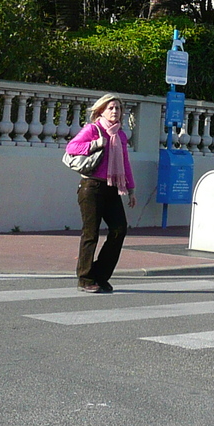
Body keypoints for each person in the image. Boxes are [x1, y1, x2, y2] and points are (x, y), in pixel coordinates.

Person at [67, 93, 135, 293]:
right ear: (101, 111)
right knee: (91, 234)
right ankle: (85, 278)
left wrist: (131, 189)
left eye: (118, 108)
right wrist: (95, 144)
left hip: (113, 187)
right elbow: (72, 147)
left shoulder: (121, 134)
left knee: (119, 229)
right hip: (92, 187)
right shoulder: (93, 129)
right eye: (110, 108)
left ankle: (100, 274)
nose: (115, 111)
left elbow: (125, 163)